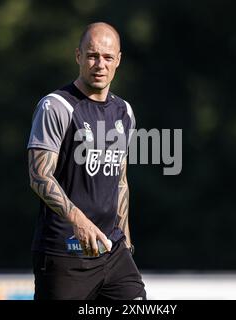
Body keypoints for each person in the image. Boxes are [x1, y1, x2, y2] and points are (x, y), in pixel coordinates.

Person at [26, 22, 146, 300]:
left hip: (112, 251)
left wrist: (125, 240)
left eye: (107, 57)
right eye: (92, 56)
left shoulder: (124, 111)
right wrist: (78, 221)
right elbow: (39, 176)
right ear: (78, 56)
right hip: (63, 253)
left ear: (118, 60)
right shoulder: (56, 106)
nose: (99, 64)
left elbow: (120, 180)